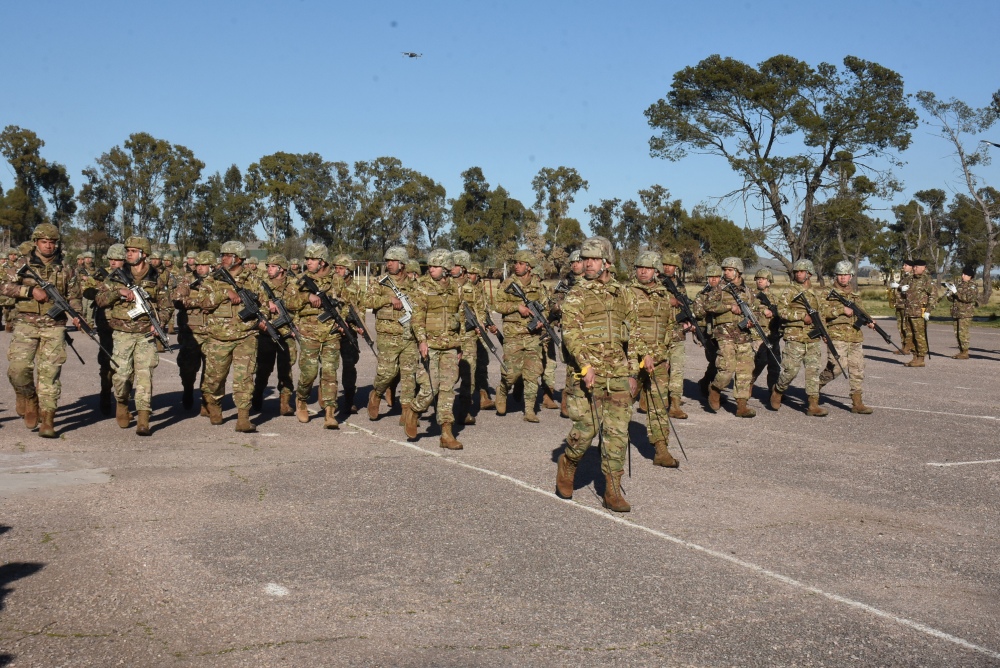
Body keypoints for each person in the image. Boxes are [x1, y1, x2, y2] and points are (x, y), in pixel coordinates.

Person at [555, 236, 651, 512]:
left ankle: (612, 490)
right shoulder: (577, 294)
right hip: (590, 374)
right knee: (586, 431)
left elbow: (635, 334)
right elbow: (570, 332)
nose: (587, 264)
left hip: (619, 374)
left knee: (618, 434)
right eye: (585, 259)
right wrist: (585, 365)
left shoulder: (624, 294)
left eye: (593, 259)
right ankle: (569, 463)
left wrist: (634, 371)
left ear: (607, 262)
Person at [0, 223, 83, 437]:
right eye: (44, 242)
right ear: (36, 242)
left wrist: (77, 315)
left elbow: (74, 295)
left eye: (52, 242)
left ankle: (47, 419)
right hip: (26, 323)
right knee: (18, 370)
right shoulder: (21, 264)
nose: (48, 246)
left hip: (54, 325)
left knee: (50, 373)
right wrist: (29, 291)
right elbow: (3, 286)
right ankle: (27, 396)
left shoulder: (65, 268)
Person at [94, 236, 171, 435]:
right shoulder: (115, 277)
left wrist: (160, 322)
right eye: (127, 250)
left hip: (146, 334)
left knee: (145, 375)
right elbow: (100, 300)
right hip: (121, 334)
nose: (128, 253)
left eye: (133, 250)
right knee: (121, 376)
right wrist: (117, 292)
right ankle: (121, 402)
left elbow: (166, 306)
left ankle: (144, 419)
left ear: (144, 254)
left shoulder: (156, 278)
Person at [195, 240, 268, 432]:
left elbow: (266, 304)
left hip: (246, 335)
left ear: (239, 258)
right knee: (214, 379)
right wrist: (224, 292)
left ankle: (243, 417)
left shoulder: (253, 280)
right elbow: (203, 302)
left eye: (228, 255)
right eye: (223, 255)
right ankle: (214, 404)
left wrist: (263, 319)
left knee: (244, 378)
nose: (224, 258)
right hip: (219, 337)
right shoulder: (212, 280)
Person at [404, 248, 464, 449]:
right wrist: (421, 340)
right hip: (430, 345)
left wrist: (460, 344)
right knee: (430, 388)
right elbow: (417, 317)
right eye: (429, 266)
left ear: (446, 268)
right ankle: (414, 409)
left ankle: (446, 433)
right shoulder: (422, 288)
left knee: (448, 389)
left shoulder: (456, 288)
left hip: (450, 346)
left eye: (435, 266)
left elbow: (461, 317)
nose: (431, 269)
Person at [628, 250, 680, 466]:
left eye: (648, 268)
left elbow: (669, 326)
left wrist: (665, 354)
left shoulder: (663, 296)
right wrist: (643, 353)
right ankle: (609, 443)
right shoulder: (627, 293)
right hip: (631, 359)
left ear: (656, 271)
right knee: (622, 403)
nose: (643, 271)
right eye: (640, 267)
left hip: (658, 359)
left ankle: (661, 450)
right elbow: (628, 326)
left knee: (659, 405)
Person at [286, 243, 346, 429]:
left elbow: (346, 304)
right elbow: (288, 303)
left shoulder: (336, 281)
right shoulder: (299, 281)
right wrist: (307, 297)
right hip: (308, 332)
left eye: (311, 259)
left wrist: (341, 322)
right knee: (309, 372)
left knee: (329, 373)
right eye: (307, 259)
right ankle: (302, 400)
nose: (307, 262)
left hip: (331, 333)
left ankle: (329, 412)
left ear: (322, 262)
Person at [493, 250, 549, 422]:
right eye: (515, 263)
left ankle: (529, 410)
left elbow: (545, 308)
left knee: (532, 374)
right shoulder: (508, 283)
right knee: (511, 373)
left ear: (529, 267)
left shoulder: (539, 287)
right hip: (513, 335)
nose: (516, 266)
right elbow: (497, 304)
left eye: (520, 263)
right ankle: (503, 390)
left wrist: (542, 322)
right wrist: (517, 307)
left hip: (533, 336)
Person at [701, 257, 760, 418]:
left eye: (729, 270)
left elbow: (757, 310)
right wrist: (729, 307)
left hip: (743, 335)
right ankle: (715, 388)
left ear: (738, 271)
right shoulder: (719, 288)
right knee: (727, 368)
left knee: (745, 371)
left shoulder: (748, 291)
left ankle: (742, 406)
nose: (726, 272)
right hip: (724, 333)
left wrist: (751, 321)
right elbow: (708, 305)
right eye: (725, 270)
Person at [365, 246, 419, 421]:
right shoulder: (380, 281)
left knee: (409, 375)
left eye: (393, 261)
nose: (389, 264)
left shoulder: (413, 284)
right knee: (387, 373)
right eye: (387, 261)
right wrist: (388, 299)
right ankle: (377, 394)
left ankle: (407, 412)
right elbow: (367, 300)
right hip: (388, 335)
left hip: (409, 335)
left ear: (402, 264)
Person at [770, 259, 828, 416]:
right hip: (795, 337)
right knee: (790, 370)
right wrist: (801, 316)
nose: (798, 274)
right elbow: (781, 311)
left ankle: (813, 404)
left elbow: (821, 314)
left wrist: (824, 332)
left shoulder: (816, 293)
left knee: (813, 371)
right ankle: (778, 390)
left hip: (813, 338)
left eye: (801, 271)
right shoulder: (789, 291)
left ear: (809, 273)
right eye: (796, 272)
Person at [819, 261, 875, 414]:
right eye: (840, 275)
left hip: (855, 336)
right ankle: (815, 386)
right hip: (836, 335)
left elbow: (861, 311)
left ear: (850, 276)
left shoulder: (855, 294)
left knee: (857, 369)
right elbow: (821, 312)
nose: (843, 278)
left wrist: (869, 321)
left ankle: (857, 403)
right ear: (836, 276)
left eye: (845, 275)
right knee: (837, 366)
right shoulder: (827, 292)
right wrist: (840, 309)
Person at [252, 254, 298, 415]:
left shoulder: (293, 285)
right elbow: (251, 302)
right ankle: (257, 394)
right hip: (267, 332)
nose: (269, 269)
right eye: (268, 266)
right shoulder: (260, 283)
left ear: (281, 269)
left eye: (272, 266)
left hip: (287, 334)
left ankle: (285, 402)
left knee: (286, 369)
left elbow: (299, 306)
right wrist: (267, 303)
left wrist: (296, 326)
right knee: (263, 368)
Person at [171, 251, 214, 412]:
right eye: (198, 265)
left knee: (211, 370)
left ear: (212, 266)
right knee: (188, 368)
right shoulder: (187, 280)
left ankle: (206, 400)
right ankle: (188, 389)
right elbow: (177, 301)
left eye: (203, 265)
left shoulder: (218, 281)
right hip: (192, 333)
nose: (200, 268)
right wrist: (200, 302)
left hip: (213, 331)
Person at [451, 250, 488, 425]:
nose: (452, 268)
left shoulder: (473, 290)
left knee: (468, 376)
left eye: (455, 265)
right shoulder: (445, 286)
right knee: (445, 376)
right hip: (447, 336)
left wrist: (481, 327)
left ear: (463, 268)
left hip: (468, 337)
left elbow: (480, 312)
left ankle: (463, 411)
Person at [660, 251, 691, 419]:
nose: (667, 268)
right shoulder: (654, 283)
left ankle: (675, 405)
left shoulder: (680, 286)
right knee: (661, 369)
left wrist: (688, 321)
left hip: (677, 333)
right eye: (665, 264)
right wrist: (667, 300)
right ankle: (654, 398)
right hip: (659, 333)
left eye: (671, 265)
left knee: (677, 368)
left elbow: (683, 306)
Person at [333, 254, 362, 415]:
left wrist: (360, 326)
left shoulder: (356, 289)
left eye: (341, 268)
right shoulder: (330, 286)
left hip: (349, 331)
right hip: (332, 330)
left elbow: (361, 309)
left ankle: (349, 400)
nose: (337, 271)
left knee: (350, 365)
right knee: (329, 365)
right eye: (336, 268)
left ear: (349, 271)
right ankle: (328, 399)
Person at [467, 261, 497, 411]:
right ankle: (466, 398)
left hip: (481, 331)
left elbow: (484, 309)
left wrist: (490, 323)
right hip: (468, 332)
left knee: (482, 363)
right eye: (467, 273)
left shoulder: (480, 289)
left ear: (478, 275)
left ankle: (483, 397)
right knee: (466, 367)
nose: (469, 276)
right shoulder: (464, 289)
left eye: (472, 274)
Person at [692, 265, 722, 399]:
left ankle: (707, 384)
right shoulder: (702, 294)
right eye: (711, 277)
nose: (713, 280)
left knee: (721, 359)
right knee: (715, 358)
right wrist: (713, 308)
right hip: (705, 331)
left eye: (716, 277)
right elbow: (698, 312)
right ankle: (707, 384)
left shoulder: (724, 293)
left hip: (721, 331)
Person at [900, 259, 937, 368]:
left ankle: (921, 358)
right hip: (909, 311)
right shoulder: (911, 279)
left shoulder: (927, 280)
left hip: (919, 313)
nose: (914, 268)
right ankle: (915, 357)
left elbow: (933, 296)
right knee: (910, 336)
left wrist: (928, 311)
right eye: (914, 266)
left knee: (919, 336)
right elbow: (907, 296)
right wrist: (902, 291)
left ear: (923, 268)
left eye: (917, 267)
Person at [750, 268, 782, 391]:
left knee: (775, 365)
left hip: (773, 336)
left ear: (769, 281)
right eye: (758, 279)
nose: (759, 281)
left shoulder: (775, 298)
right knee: (759, 361)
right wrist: (763, 310)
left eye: (762, 279)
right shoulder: (752, 296)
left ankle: (774, 391)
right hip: (758, 335)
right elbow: (749, 309)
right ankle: (749, 382)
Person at [946, 265, 979, 359]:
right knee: (957, 332)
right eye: (962, 274)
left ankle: (965, 352)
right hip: (957, 312)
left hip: (965, 313)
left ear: (970, 276)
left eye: (965, 274)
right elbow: (953, 299)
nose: (962, 276)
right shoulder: (960, 284)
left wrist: (956, 293)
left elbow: (968, 298)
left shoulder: (972, 286)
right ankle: (961, 351)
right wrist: (950, 294)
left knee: (963, 333)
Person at [890, 260, 913, 355]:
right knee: (900, 327)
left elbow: (909, 288)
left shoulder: (912, 277)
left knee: (906, 327)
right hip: (899, 304)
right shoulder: (904, 276)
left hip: (905, 305)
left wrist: (898, 286)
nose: (903, 266)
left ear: (911, 267)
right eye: (903, 265)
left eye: (906, 265)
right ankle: (903, 346)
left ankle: (908, 347)